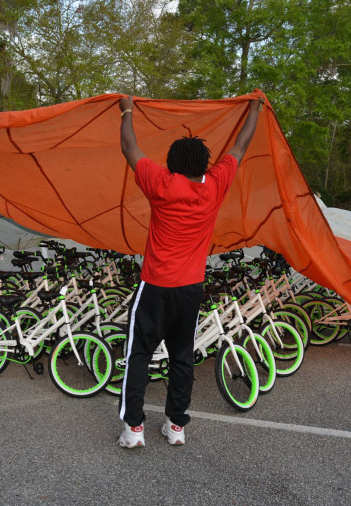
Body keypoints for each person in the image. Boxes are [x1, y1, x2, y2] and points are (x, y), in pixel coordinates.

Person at [116, 95, 262, 447]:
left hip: (155, 285)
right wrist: (255, 108)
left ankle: (134, 429)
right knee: (182, 358)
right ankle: (176, 427)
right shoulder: (214, 185)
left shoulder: (161, 183)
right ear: (204, 165)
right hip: (190, 288)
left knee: (138, 354)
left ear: (171, 163)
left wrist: (127, 110)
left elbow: (129, 147)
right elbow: (242, 144)